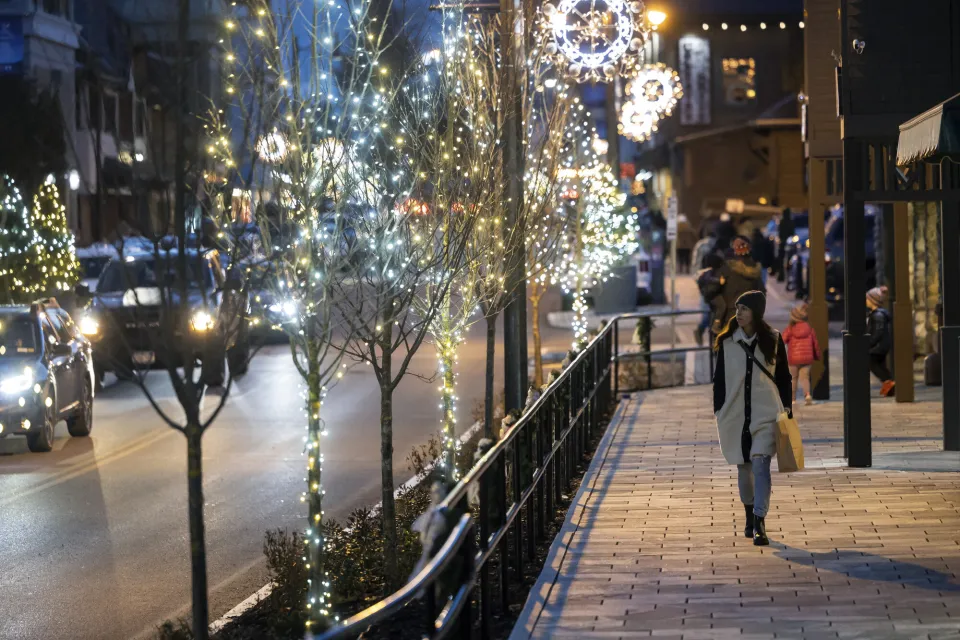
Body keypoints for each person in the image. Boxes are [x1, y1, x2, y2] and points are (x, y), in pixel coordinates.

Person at [713, 291, 793, 546]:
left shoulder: (774, 339)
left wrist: (787, 410)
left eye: (745, 308)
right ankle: (749, 513)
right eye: (737, 307)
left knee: (760, 465)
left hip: (766, 413)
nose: (739, 312)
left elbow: (783, 378)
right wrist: (719, 409)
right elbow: (719, 380)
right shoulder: (726, 342)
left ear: (756, 312)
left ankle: (759, 521)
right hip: (735, 416)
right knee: (744, 469)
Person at [718, 236, 765, 327]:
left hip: (731, 311)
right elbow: (761, 291)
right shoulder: (755, 268)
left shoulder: (727, 268)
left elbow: (717, 288)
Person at [782, 302, 821, 405]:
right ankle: (807, 395)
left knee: (793, 379)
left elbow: (783, 340)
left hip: (793, 359)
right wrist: (817, 356)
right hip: (807, 359)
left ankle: (792, 399)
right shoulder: (809, 329)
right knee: (805, 378)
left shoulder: (790, 329)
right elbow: (815, 344)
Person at [867, 286, 895, 397]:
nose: (865, 301)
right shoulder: (877, 314)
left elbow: (877, 332)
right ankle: (889, 384)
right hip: (881, 345)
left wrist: (869, 342)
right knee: (880, 365)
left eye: (867, 299)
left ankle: (887, 381)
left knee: (871, 362)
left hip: (878, 345)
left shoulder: (877, 315)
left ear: (873, 301)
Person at [695, 253, 726, 346]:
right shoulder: (711, 273)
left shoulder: (706, 273)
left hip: (709, 299)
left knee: (710, 317)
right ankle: (702, 332)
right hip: (711, 299)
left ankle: (702, 332)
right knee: (712, 317)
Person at [776, 209, 795, 281]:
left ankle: (782, 275)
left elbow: (780, 232)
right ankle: (788, 276)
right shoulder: (791, 222)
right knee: (789, 260)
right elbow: (792, 233)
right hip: (789, 243)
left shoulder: (782, 222)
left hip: (783, 243)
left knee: (781, 260)